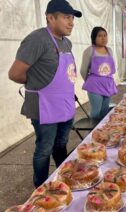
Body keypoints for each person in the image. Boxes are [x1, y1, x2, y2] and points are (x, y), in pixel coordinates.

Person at [8, 0, 82, 187]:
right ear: (50, 18)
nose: (71, 22)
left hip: (65, 105)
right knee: (44, 149)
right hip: (44, 106)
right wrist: (40, 85)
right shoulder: (37, 39)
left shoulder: (67, 43)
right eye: (66, 17)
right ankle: (40, 188)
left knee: (61, 145)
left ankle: (63, 179)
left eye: (72, 18)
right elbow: (15, 73)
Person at [80, 27, 117, 120]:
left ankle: (101, 133)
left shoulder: (109, 50)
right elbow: (83, 70)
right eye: (100, 36)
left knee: (105, 111)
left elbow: (111, 68)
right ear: (94, 38)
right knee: (95, 112)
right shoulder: (89, 51)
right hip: (95, 86)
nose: (103, 38)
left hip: (108, 84)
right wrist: (90, 81)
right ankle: (91, 133)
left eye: (105, 35)